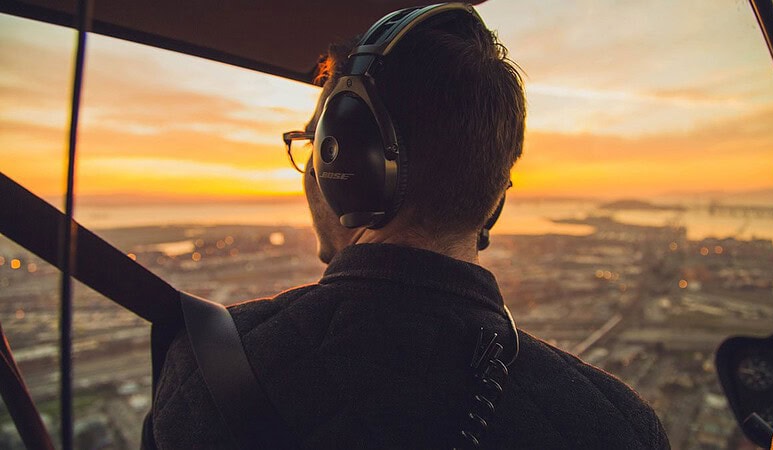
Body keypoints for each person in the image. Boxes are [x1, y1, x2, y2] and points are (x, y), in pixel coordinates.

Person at [144, 4, 670, 449]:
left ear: (341, 161)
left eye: (313, 147)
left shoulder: (206, 369)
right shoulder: (620, 426)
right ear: (494, 199)